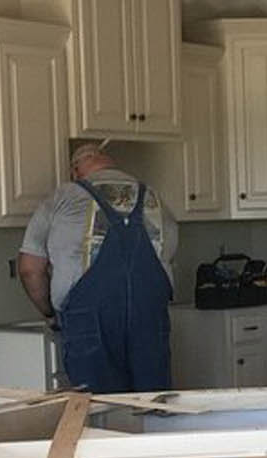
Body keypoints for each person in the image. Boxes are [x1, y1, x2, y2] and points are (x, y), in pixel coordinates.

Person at [17, 142, 178, 393]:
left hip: (88, 321)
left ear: (75, 171)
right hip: (149, 318)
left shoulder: (63, 198)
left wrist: (49, 313)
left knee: (99, 411)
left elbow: (29, 269)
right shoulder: (155, 200)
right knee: (153, 407)